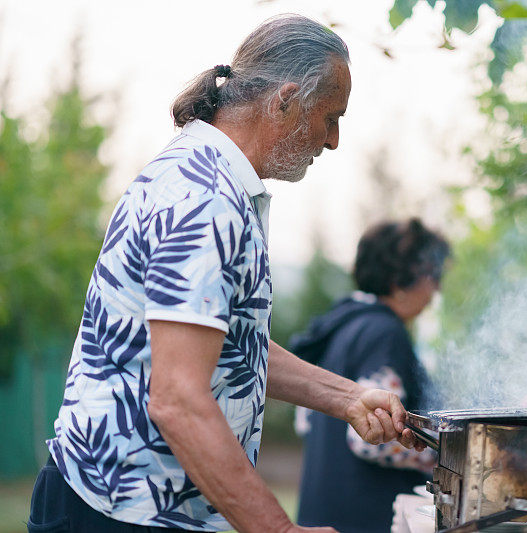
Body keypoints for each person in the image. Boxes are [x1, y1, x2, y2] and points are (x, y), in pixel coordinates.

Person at [27, 15, 423, 533]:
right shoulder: (204, 199)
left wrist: (348, 399)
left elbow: (230, 346)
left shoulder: (220, 184)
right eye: (331, 117)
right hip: (116, 512)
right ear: (284, 100)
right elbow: (178, 399)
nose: (333, 141)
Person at [291, 218, 450, 532]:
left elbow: (303, 422)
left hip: (323, 510)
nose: (436, 289)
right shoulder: (384, 333)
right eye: (433, 275)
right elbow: (368, 440)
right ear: (401, 279)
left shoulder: (341, 325)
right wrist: (444, 456)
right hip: (365, 517)